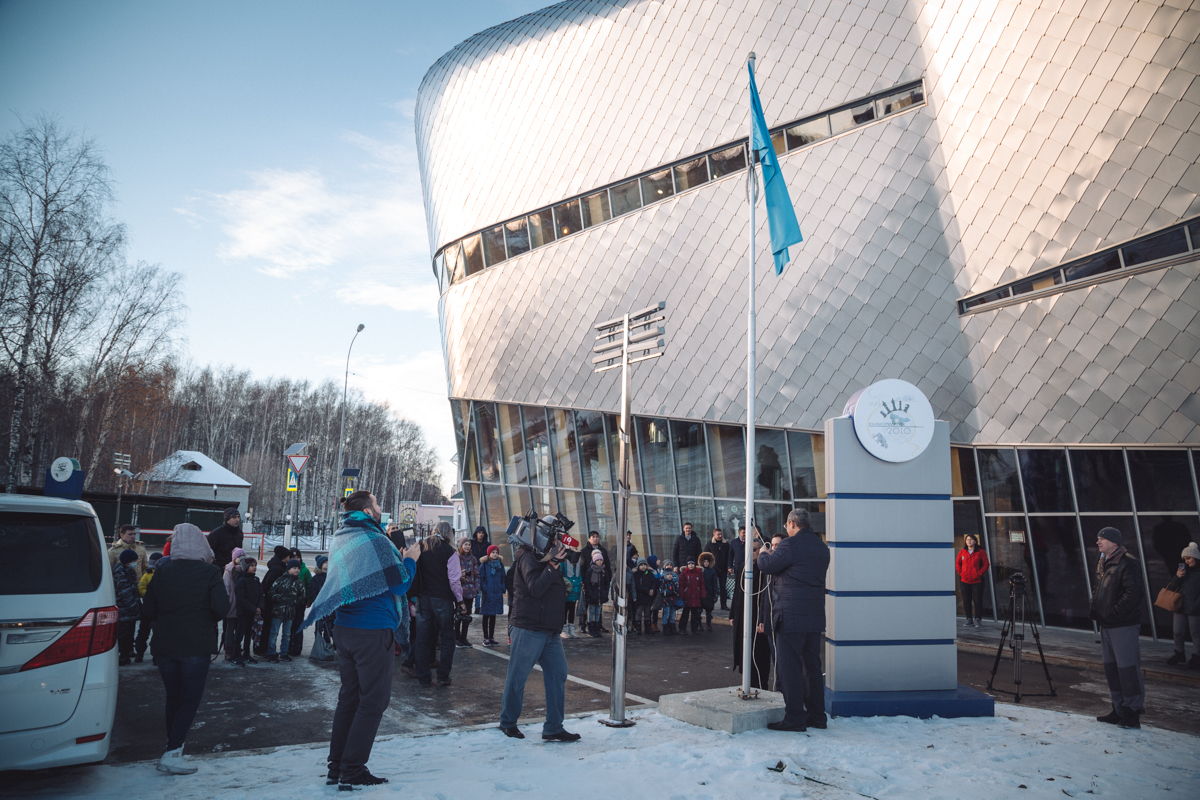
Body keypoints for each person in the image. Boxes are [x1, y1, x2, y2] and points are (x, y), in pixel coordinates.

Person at [302, 490, 417, 788]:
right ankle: (352, 769)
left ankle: (336, 766)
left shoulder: (343, 536)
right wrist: (411, 560)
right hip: (372, 630)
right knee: (373, 701)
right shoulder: (374, 539)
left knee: (349, 698)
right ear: (368, 511)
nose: (381, 508)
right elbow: (400, 583)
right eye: (377, 504)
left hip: (346, 629)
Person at [142, 523, 229, 775]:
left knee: (174, 697)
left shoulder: (163, 572)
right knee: (190, 699)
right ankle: (172, 752)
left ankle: (172, 747)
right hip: (196, 644)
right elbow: (221, 608)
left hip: (164, 646)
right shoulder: (209, 572)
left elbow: (147, 610)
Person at [499, 526, 580, 742]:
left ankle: (553, 727)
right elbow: (535, 588)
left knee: (558, 674)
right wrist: (553, 566)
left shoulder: (544, 558)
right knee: (517, 677)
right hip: (528, 628)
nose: (556, 544)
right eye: (553, 539)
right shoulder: (527, 557)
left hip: (550, 631)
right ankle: (508, 722)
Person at [757, 509, 830, 732]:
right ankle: (817, 716)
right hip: (814, 615)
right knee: (812, 667)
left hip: (790, 616)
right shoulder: (822, 547)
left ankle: (795, 718)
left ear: (791, 524)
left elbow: (767, 566)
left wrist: (762, 552)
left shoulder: (790, 545)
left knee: (790, 669)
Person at [1089, 526, 1145, 729]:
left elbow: (1133, 594)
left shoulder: (1127, 562)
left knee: (1127, 669)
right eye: (1097, 538)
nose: (1098, 542)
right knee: (1112, 669)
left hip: (1123, 624)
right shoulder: (1104, 562)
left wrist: (1113, 614)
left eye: (1101, 539)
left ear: (1114, 542)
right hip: (1107, 624)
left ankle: (1132, 712)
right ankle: (1118, 709)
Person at [412, 521, 462, 687]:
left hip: (422, 597)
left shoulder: (420, 546)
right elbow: (454, 581)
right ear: (449, 534)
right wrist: (460, 600)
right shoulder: (450, 552)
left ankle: (423, 677)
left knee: (422, 639)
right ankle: (442, 677)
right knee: (447, 638)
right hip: (442, 599)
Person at [1166, 543, 1200, 669]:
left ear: (1196, 558)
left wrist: (1196, 605)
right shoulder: (1183, 572)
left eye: (1189, 558)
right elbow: (1172, 588)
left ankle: (1196, 657)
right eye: (1185, 559)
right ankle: (1179, 653)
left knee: (1195, 634)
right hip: (1180, 607)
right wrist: (1177, 576)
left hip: (1195, 609)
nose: (1187, 561)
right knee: (1177, 632)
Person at [267, 560, 306, 663]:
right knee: (274, 632)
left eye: (298, 568)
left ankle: (284, 653)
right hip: (278, 611)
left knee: (287, 634)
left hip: (290, 612)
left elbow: (303, 596)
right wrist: (278, 598)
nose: (297, 570)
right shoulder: (280, 580)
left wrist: (295, 601)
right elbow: (271, 592)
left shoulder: (299, 583)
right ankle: (271, 653)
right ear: (288, 569)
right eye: (294, 568)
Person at [257, 545, 291, 654]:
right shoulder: (278, 569)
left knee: (268, 626)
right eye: (288, 556)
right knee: (267, 627)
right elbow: (268, 586)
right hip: (270, 602)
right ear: (284, 557)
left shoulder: (277, 566)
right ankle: (263, 650)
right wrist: (275, 597)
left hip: (269, 601)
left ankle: (263, 649)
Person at [114, 549, 142, 666]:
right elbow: (125, 592)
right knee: (124, 635)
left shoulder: (129, 571)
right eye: (134, 561)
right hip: (125, 609)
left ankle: (129, 651)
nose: (135, 563)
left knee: (130, 632)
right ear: (127, 561)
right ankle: (123, 656)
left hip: (130, 610)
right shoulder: (121, 573)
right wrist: (133, 607)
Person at [956, 534, 990, 628]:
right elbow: (958, 563)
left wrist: (979, 573)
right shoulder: (963, 552)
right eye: (967, 540)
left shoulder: (980, 552)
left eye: (971, 539)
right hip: (964, 580)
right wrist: (960, 572)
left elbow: (986, 564)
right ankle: (969, 619)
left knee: (977, 600)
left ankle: (978, 619)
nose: (969, 541)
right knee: (966, 600)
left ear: (975, 541)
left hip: (977, 581)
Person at [233, 558, 263, 665]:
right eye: (252, 565)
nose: (255, 567)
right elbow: (241, 598)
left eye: (255, 565)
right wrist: (253, 608)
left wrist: (259, 607)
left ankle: (246, 653)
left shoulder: (256, 580)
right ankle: (236, 655)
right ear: (246, 568)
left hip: (253, 612)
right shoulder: (241, 580)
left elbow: (260, 594)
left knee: (248, 634)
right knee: (240, 634)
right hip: (244, 612)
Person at [454, 537, 480, 648]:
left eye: (469, 545)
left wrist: (477, 588)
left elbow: (477, 574)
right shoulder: (457, 558)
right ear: (461, 546)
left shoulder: (473, 559)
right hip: (459, 591)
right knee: (459, 615)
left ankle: (464, 637)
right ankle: (457, 638)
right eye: (465, 544)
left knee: (467, 615)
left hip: (470, 592)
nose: (467, 546)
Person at [222, 547, 247, 661]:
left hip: (241, 603)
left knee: (239, 628)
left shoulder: (245, 570)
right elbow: (226, 586)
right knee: (230, 627)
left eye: (243, 556)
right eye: (238, 557)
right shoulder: (229, 570)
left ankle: (237, 647)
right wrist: (227, 600)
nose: (241, 559)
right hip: (232, 602)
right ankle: (228, 649)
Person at [478, 545, 506, 646]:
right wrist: (485, 589)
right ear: (489, 554)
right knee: (486, 616)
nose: (495, 554)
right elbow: (481, 578)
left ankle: (491, 636)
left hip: (497, 593)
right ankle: (486, 637)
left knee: (493, 616)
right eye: (493, 552)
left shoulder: (500, 565)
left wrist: (502, 587)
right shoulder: (484, 565)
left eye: (496, 552)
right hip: (488, 593)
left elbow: (503, 577)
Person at [582, 550, 611, 637]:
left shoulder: (604, 572)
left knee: (598, 611)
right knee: (591, 611)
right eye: (598, 560)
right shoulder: (590, 571)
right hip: (592, 595)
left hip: (600, 595)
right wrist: (590, 593)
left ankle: (596, 628)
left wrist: (605, 592)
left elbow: (606, 583)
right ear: (594, 561)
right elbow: (587, 583)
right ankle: (590, 628)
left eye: (601, 560)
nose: (599, 562)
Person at [678, 558, 706, 635]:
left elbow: (702, 585)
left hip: (696, 597)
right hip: (687, 597)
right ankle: (682, 628)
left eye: (692, 564)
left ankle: (695, 628)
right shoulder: (684, 573)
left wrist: (703, 595)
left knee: (695, 615)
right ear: (687, 564)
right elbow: (681, 586)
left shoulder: (698, 573)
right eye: (689, 564)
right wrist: (682, 595)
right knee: (685, 614)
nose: (691, 565)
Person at [632, 558, 658, 634]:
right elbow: (637, 586)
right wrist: (647, 591)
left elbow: (654, 583)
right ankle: (638, 629)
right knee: (639, 613)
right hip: (640, 597)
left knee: (647, 613)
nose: (643, 567)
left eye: (644, 565)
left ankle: (647, 628)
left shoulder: (650, 574)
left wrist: (652, 589)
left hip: (648, 598)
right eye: (641, 565)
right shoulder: (636, 575)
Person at [559, 554, 582, 639]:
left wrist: (580, 583)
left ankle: (571, 628)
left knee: (572, 610)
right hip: (567, 590)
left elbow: (579, 576)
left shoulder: (577, 565)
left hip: (575, 591)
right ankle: (563, 629)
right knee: (565, 610)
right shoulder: (563, 564)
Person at [708, 529, 731, 610]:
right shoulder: (710, 544)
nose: (720, 536)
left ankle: (723, 605)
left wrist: (729, 567)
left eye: (721, 534)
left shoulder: (726, 544)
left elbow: (729, 556)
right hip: (713, 569)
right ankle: (710, 605)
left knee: (723, 588)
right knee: (712, 587)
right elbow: (706, 556)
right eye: (718, 534)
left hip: (723, 569)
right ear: (714, 535)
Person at [469, 526, 490, 612]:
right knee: (471, 587)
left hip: (483, 568)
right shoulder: (472, 543)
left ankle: (478, 607)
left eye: (482, 533)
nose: (481, 535)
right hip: (472, 568)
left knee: (480, 588)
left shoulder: (487, 544)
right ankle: (470, 607)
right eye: (479, 533)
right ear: (476, 534)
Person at [699, 552, 720, 631]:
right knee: (699, 610)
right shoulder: (700, 571)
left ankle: (708, 625)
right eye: (704, 561)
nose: (706, 563)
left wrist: (716, 593)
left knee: (709, 611)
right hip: (701, 593)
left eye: (707, 562)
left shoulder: (712, 571)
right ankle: (699, 625)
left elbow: (714, 583)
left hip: (709, 593)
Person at [659, 561, 680, 635]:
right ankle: (666, 628)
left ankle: (672, 628)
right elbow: (662, 592)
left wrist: (677, 593)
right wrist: (670, 593)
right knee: (666, 615)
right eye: (668, 575)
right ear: (665, 575)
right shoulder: (663, 583)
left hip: (672, 602)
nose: (670, 576)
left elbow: (676, 590)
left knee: (672, 615)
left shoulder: (673, 582)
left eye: (671, 574)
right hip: (666, 601)